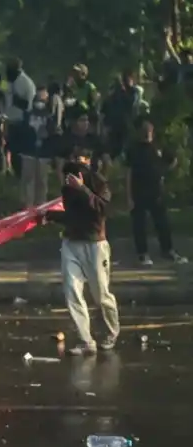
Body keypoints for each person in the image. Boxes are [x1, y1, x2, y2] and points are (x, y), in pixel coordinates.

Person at [43, 150, 119, 356]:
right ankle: (86, 340)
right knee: (72, 291)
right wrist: (51, 216)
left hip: (95, 244)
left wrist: (83, 189)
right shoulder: (67, 186)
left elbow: (103, 209)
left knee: (100, 294)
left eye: (80, 164)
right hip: (71, 243)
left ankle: (112, 331)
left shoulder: (99, 182)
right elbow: (72, 215)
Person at [124, 118, 188, 266]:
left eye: (149, 130)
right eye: (144, 130)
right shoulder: (133, 149)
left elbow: (172, 160)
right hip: (138, 191)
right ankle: (142, 254)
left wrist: (163, 172)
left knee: (162, 222)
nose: (147, 133)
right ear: (139, 132)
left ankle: (168, 250)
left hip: (156, 191)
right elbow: (128, 172)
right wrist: (129, 196)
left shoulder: (158, 147)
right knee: (139, 224)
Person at [16, 85, 62, 207]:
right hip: (29, 152)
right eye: (38, 98)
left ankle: (41, 207)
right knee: (28, 180)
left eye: (43, 99)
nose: (40, 102)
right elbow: (21, 132)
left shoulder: (50, 117)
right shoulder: (27, 115)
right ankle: (28, 208)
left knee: (42, 181)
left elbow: (53, 135)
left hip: (44, 154)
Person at [4, 58, 36, 178]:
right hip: (11, 120)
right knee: (12, 150)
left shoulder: (25, 82)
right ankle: (15, 175)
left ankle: (22, 176)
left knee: (20, 152)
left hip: (22, 121)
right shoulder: (10, 82)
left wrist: (15, 99)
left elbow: (28, 105)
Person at [56, 112, 111, 177]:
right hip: (73, 174)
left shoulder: (94, 139)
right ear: (74, 122)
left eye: (86, 120)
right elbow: (60, 165)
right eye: (82, 120)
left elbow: (105, 158)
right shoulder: (66, 139)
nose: (85, 123)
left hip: (92, 173)